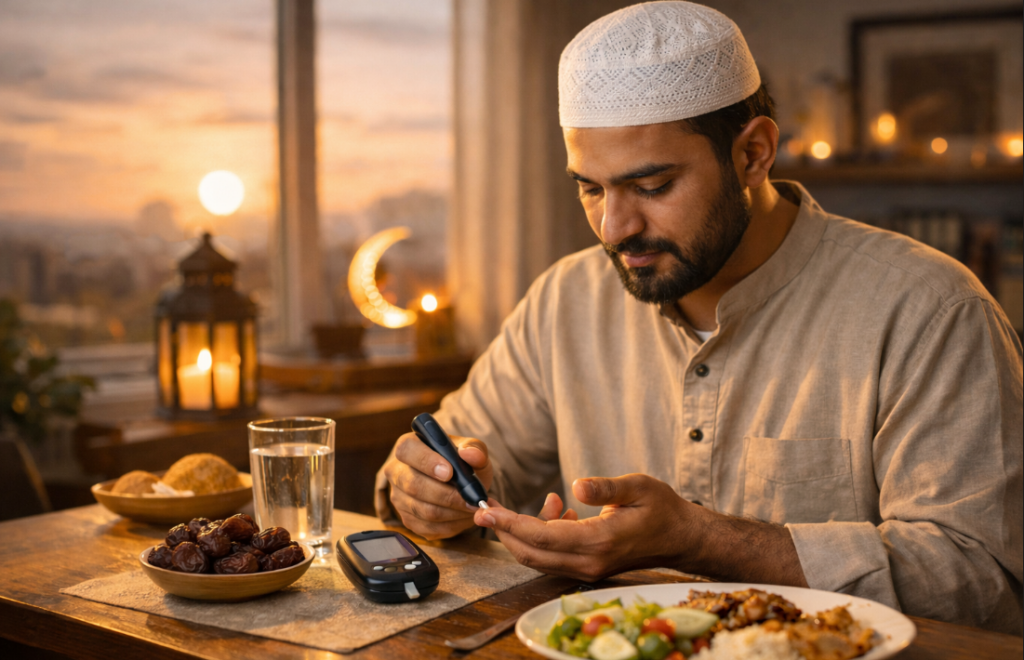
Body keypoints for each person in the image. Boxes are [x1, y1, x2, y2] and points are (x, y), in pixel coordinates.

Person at [376, 1, 1023, 634]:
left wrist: (704, 539)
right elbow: (452, 461)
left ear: (753, 154)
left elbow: (985, 584)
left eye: (652, 187)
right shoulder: (564, 299)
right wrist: (432, 494)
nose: (614, 227)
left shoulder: (931, 311)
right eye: (590, 188)